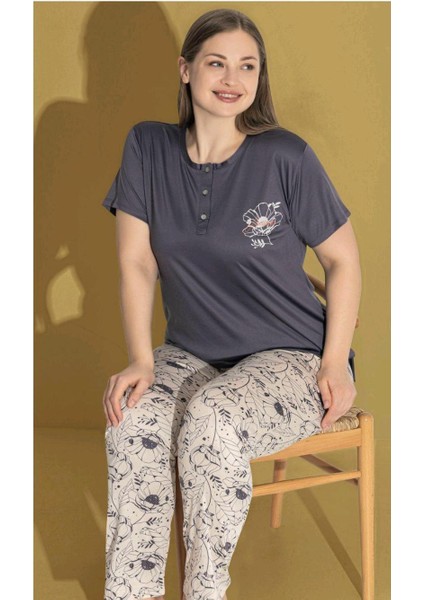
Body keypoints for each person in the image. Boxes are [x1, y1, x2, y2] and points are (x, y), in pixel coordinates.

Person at [101, 8, 361, 600]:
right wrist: (141, 359)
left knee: (212, 419)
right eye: (217, 62)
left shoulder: (286, 157)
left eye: (247, 66)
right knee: (131, 415)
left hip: (293, 358)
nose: (232, 79)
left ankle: (204, 593)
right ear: (186, 68)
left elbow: (343, 262)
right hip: (192, 352)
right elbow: (138, 262)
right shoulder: (147, 147)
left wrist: (334, 362)